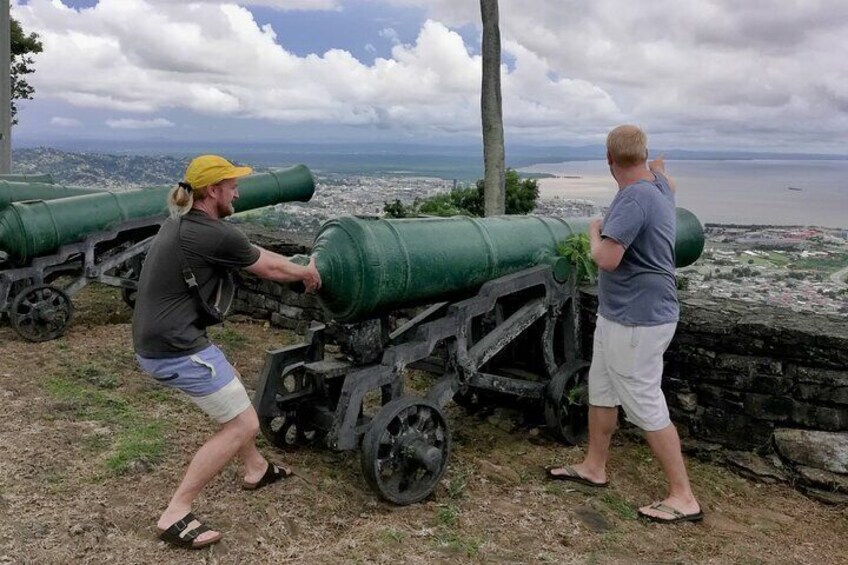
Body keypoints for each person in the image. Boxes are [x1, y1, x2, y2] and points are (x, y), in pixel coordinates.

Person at [132, 155, 322, 549]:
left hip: (158, 340)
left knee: (232, 382)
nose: (238, 191)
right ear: (213, 190)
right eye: (232, 185)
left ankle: (254, 468)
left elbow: (254, 257)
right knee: (243, 425)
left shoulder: (181, 222)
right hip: (175, 348)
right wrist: (306, 271)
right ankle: (176, 513)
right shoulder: (214, 233)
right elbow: (269, 268)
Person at [546, 125, 702, 524]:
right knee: (602, 390)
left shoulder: (633, 198)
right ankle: (594, 466)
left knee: (645, 402)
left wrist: (595, 232)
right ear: (643, 157)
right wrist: (659, 165)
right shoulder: (658, 186)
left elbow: (608, 259)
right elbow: (668, 177)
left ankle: (683, 496)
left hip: (638, 319)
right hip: (623, 315)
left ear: (608, 159)